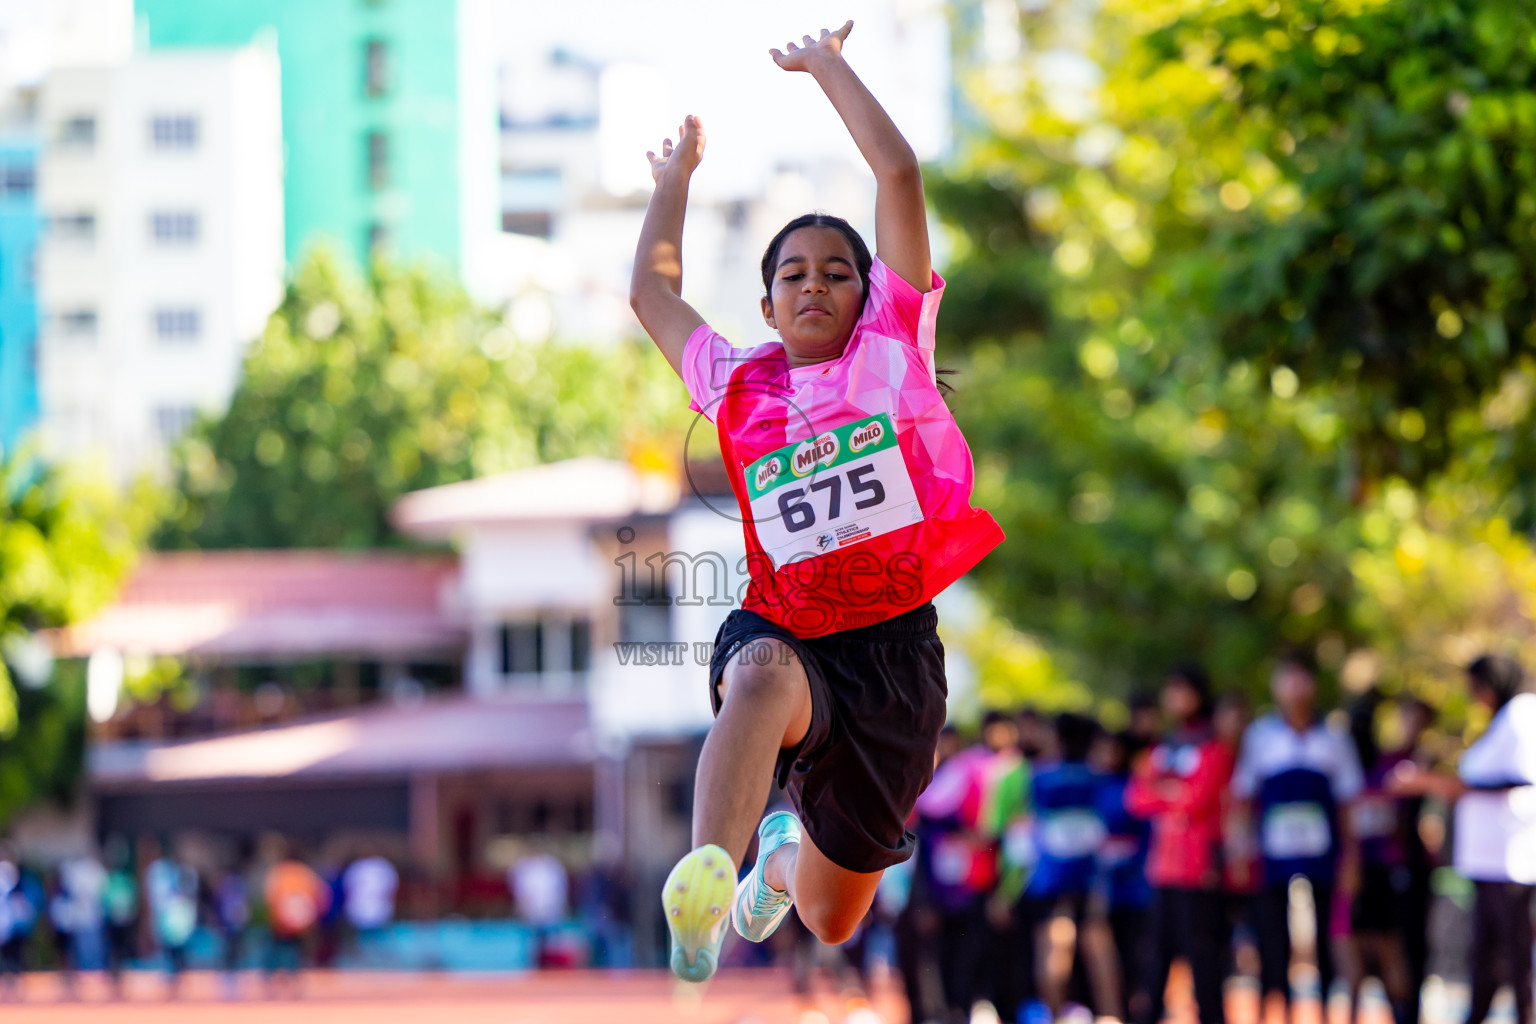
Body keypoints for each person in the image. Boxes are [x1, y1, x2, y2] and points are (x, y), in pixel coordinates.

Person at [630, 20, 1004, 983]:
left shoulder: (893, 345)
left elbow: (900, 177)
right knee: (755, 678)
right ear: (766, 307)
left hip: (894, 653)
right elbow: (652, 297)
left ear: (870, 293)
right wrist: (674, 181)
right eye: (793, 275)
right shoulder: (736, 382)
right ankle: (709, 877)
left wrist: (827, 68)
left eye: (837, 273)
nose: (815, 286)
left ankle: (773, 866)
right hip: (785, 626)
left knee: (834, 918)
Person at [1390, 655, 1536, 1024]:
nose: (1475, 695)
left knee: (1515, 956)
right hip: (1487, 861)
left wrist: (1435, 783)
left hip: (1511, 862)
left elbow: (1519, 779)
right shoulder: (1500, 721)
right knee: (1484, 956)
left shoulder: (1522, 714)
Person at [1231, 652, 1363, 1021]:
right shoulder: (1260, 736)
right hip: (1272, 855)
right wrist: (1240, 848)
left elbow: (1347, 803)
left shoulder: (1334, 738)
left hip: (1323, 854)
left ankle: (1320, 1012)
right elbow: (1243, 797)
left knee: (1325, 937)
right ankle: (1276, 1011)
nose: (1293, 687)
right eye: (1286, 678)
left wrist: (1351, 859)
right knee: (1271, 935)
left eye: (1300, 678)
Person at [1125, 665, 1232, 1024]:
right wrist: (1173, 791)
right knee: (1155, 957)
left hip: (1198, 868)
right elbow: (1136, 799)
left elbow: (1199, 799)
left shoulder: (1213, 747)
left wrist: (1164, 791)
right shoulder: (1162, 747)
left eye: (1183, 690)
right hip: (1162, 869)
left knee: (1203, 959)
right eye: (1171, 691)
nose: (1175, 699)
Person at [1025, 713, 1113, 1019]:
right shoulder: (1098, 777)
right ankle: (1110, 1014)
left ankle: (1054, 1014)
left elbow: (1031, 821)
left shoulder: (1041, 777)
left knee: (1053, 946)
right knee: (1099, 947)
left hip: (1051, 875)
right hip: (1092, 875)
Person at [1337, 689, 1414, 1024]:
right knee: (1385, 950)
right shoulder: (1384, 772)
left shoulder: (1354, 777)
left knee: (1363, 952)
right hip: (1380, 870)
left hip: (1362, 872)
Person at [1086, 729, 1153, 1024]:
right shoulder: (1090, 787)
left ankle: (1135, 1010)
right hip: (1097, 886)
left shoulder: (1134, 785)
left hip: (1132, 885)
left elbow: (1146, 833)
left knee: (1133, 952)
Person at [341, 852, 399, 964]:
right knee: (365, 940)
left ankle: (373, 962)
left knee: (374, 939)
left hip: (373, 908)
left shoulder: (379, 867)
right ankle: (368, 962)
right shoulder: (377, 867)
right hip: (365, 908)